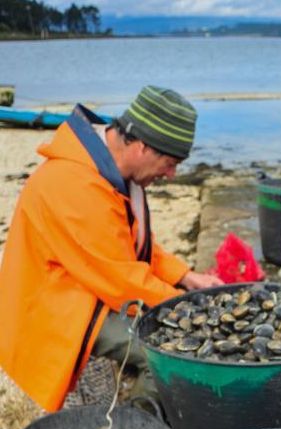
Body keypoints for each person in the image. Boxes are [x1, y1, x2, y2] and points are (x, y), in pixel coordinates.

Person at [0, 85, 223, 412]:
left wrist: (187, 277)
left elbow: (129, 245)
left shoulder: (108, 167)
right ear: (142, 147)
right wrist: (190, 307)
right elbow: (121, 281)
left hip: (85, 282)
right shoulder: (75, 184)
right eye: (170, 162)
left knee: (171, 321)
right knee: (165, 352)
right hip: (52, 304)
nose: (172, 174)